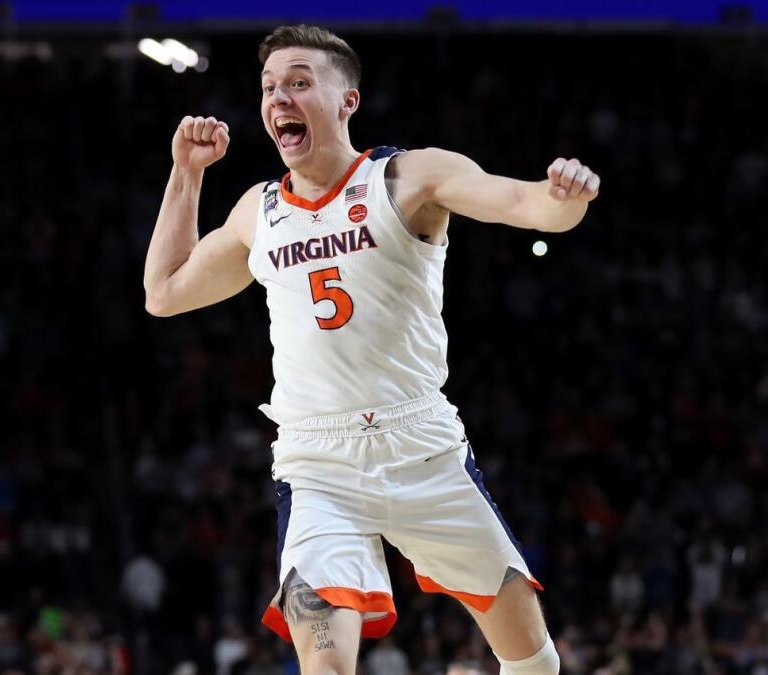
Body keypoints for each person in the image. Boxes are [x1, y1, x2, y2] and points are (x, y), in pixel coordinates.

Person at [143, 24, 599, 675]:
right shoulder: (259, 212)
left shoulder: (409, 177)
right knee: (326, 666)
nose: (279, 99)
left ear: (347, 100)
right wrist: (185, 174)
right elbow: (163, 291)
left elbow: (527, 203)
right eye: (270, 86)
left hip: (421, 444)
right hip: (318, 459)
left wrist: (565, 198)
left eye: (300, 82)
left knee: (533, 662)